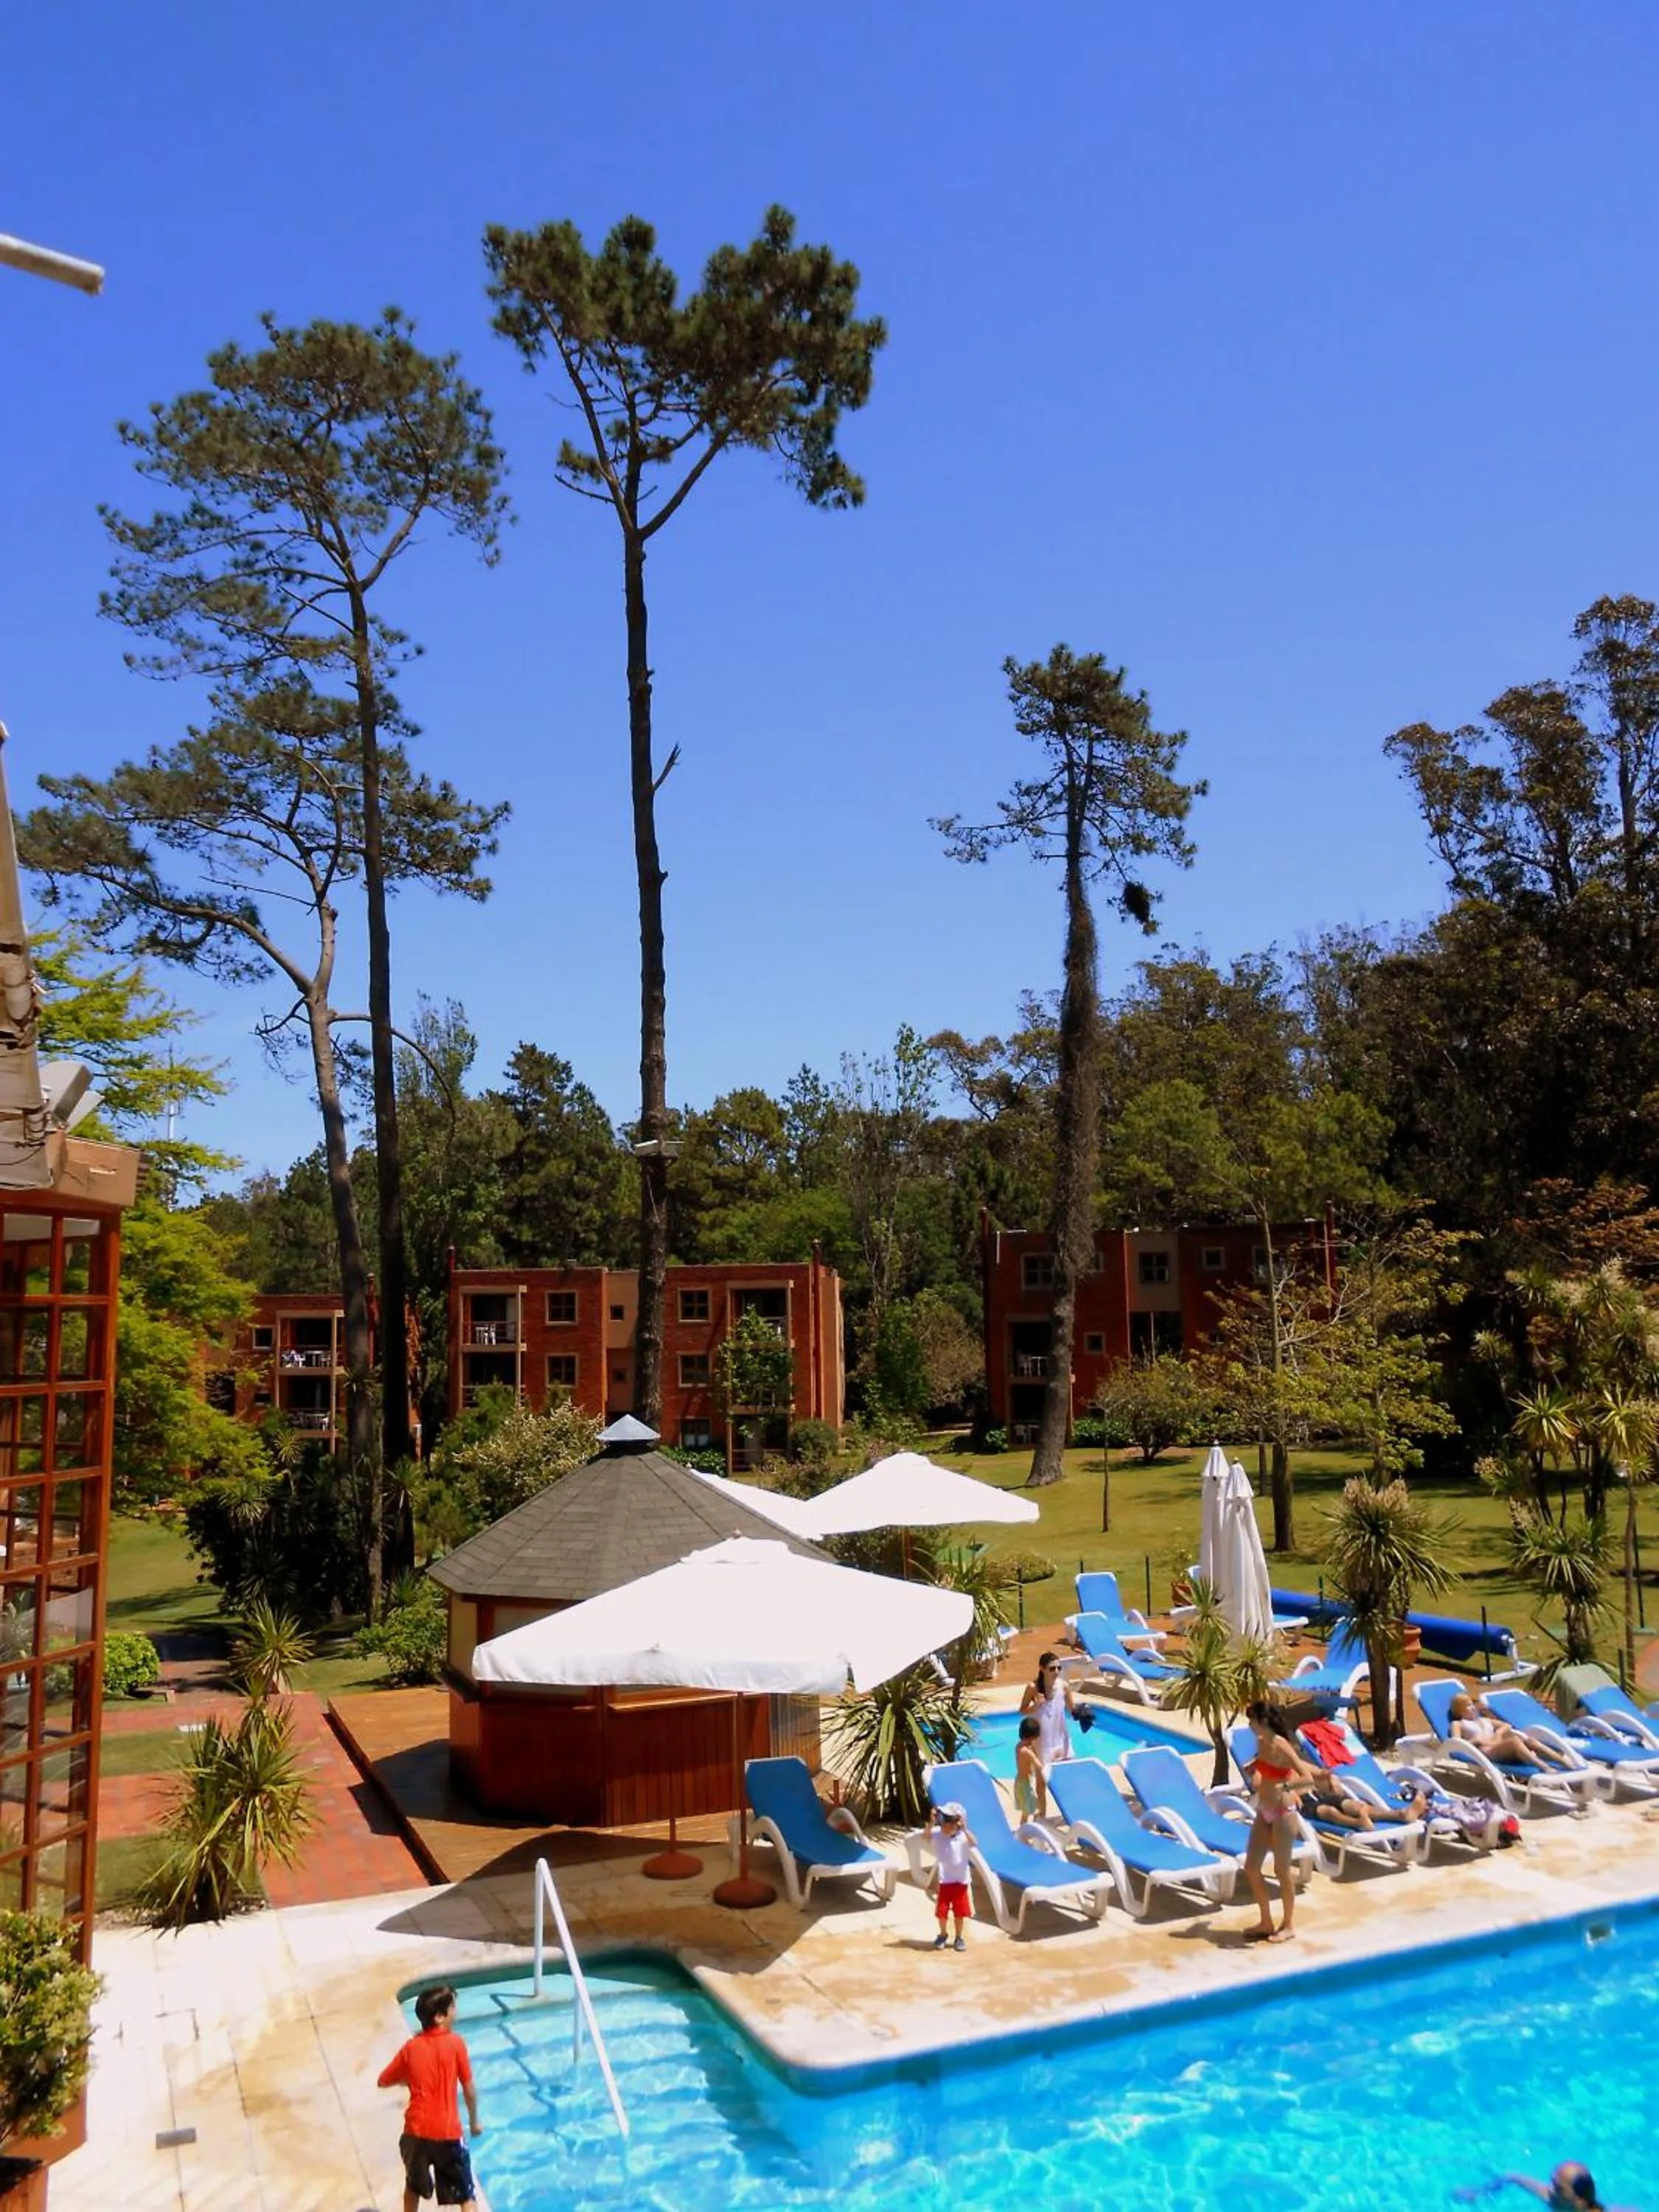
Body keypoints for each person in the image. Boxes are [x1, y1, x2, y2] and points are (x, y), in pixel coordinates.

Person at [378, 1983, 482, 2212]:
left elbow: (383, 2080)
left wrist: (407, 2080)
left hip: (415, 2133)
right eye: (453, 2007)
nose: (456, 2011)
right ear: (439, 2016)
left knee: (413, 2187)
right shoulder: (456, 2044)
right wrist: (475, 2121)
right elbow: (469, 2089)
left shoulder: (411, 2047)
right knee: (466, 2194)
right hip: (447, 2134)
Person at [1239, 1697, 1316, 1943]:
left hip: (1284, 1814)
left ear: (1262, 1721)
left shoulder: (1282, 1745)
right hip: (1264, 1811)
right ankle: (1266, 1921)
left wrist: (1287, 1785)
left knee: (1282, 1871)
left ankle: (1289, 1924)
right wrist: (1256, 1766)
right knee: (1251, 1868)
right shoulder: (1261, 1742)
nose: (1249, 1724)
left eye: (1251, 1719)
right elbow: (1267, 1767)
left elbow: (1307, 1778)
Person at [1448, 1691, 1580, 1770]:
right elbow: (1456, 1745)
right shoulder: (1458, 1724)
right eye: (1467, 1706)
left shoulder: (1482, 1720)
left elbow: (1506, 1725)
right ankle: (1544, 1767)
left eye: (1472, 1705)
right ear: (1459, 1710)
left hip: (1498, 1746)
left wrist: (1498, 1733)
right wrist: (1475, 1741)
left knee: (1529, 1740)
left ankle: (1564, 1762)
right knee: (1513, 1741)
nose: (1472, 1708)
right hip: (1484, 1751)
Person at [1454, 2158, 1638, 2208]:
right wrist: (1480, 2193)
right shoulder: (1552, 2198)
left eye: (1558, 2188)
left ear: (1579, 2200)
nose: (1549, 2190)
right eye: (1552, 2183)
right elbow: (1514, 2177)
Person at [927, 1801, 975, 1951]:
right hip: (945, 1881)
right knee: (942, 1912)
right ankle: (943, 1934)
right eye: (944, 1821)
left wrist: (965, 1828)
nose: (945, 1825)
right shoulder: (938, 1834)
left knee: (960, 1913)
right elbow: (926, 1835)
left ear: (957, 1823)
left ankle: (959, 1937)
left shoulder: (963, 1837)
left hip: (960, 1882)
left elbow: (975, 1842)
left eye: (949, 1822)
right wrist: (931, 1822)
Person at [1019, 1650, 1079, 1768]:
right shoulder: (1033, 1688)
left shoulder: (1064, 1686)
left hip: (1061, 1737)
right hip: (1043, 1741)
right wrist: (1035, 1706)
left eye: (1059, 1668)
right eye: (1052, 1669)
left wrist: (1082, 1714)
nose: (1056, 1672)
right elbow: (1022, 1711)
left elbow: (1073, 1711)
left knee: (1068, 1768)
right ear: (1042, 1668)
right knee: (1044, 1773)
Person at [1013, 1714, 1047, 1821]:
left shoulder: (1019, 1746)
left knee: (1026, 1812)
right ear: (1033, 1737)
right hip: (1025, 1786)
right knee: (1035, 1811)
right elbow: (1039, 1766)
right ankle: (1030, 1830)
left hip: (1020, 1782)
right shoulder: (1027, 1752)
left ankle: (1023, 1833)